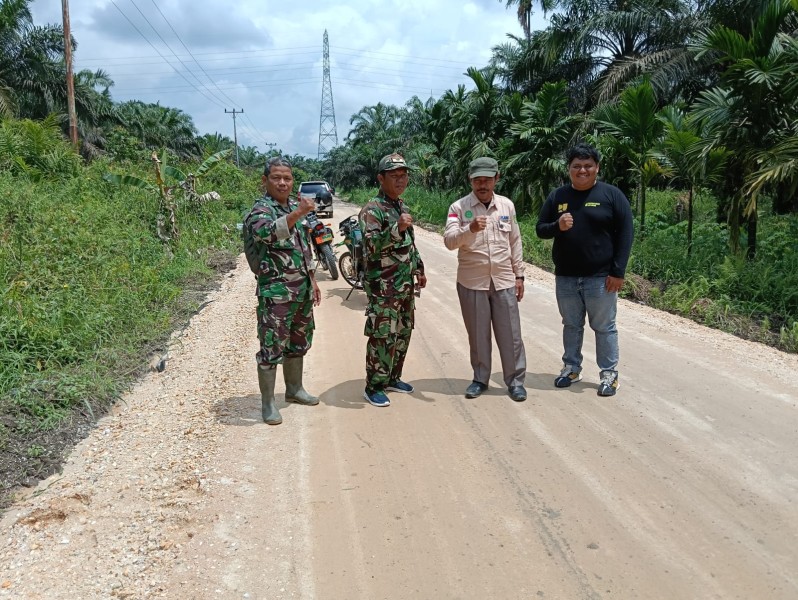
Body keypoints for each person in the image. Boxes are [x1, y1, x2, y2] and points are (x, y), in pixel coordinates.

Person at [536, 143, 634, 396]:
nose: (582, 170)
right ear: (568, 169)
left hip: (601, 278)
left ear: (597, 168)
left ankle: (609, 375)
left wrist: (618, 272)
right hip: (566, 277)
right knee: (571, 324)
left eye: (588, 165)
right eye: (576, 166)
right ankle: (571, 368)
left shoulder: (612, 196)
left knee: (604, 327)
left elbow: (626, 235)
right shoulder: (557, 197)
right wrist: (558, 225)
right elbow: (540, 229)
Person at [244, 156, 322, 424]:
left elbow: (304, 248)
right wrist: (299, 212)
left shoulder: (291, 207)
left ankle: (294, 390)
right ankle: (268, 404)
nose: (282, 182)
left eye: (287, 178)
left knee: (298, 341)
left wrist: (312, 280)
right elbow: (266, 233)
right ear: (265, 181)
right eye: (276, 177)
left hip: (300, 291)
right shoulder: (261, 210)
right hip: (276, 292)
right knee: (271, 346)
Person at [443, 157, 527, 402]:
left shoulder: (506, 206)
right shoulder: (458, 208)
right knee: (478, 335)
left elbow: (515, 241)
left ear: (496, 179)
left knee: (511, 335)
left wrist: (519, 274)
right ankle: (480, 379)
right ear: (470, 180)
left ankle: (515, 382)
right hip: (472, 282)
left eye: (487, 179)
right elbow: (449, 242)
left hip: (504, 280)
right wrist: (469, 229)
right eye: (477, 180)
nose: (482, 184)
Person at [358, 153, 427, 407]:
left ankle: (392, 377)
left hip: (405, 285)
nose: (401, 180)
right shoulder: (371, 210)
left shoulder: (401, 206)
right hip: (383, 286)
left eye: (404, 175)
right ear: (381, 178)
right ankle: (373, 385)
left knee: (404, 331)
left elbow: (410, 244)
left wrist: (419, 268)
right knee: (383, 335)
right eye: (394, 176)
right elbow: (370, 246)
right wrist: (396, 228)